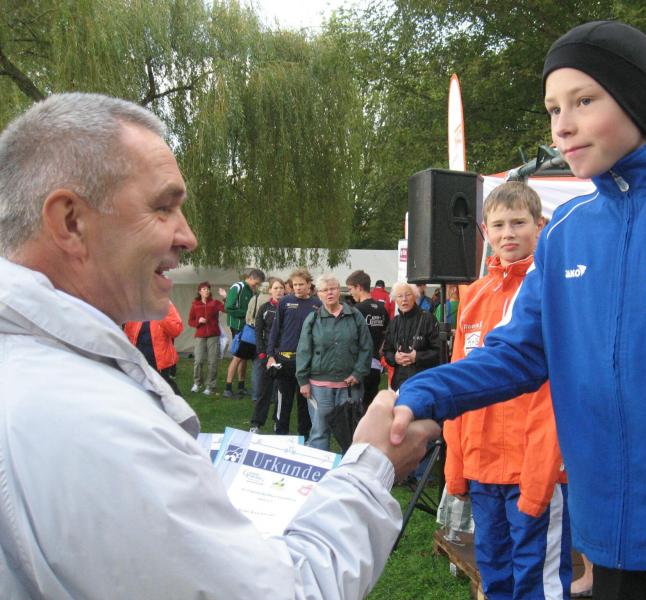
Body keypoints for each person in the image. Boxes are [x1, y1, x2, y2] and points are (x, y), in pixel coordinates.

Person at [390, 21, 646, 600]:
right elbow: (518, 354)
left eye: (584, 101)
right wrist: (421, 395)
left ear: (637, 98)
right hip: (611, 548)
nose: (562, 125)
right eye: (553, 108)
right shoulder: (566, 232)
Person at [0, 92, 439, 599]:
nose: (188, 236)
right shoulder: (94, 421)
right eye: (163, 208)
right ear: (71, 221)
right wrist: (371, 466)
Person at [444, 181, 570, 599]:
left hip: (534, 467)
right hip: (483, 467)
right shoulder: (474, 296)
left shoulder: (555, 289)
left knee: (536, 582)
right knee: (495, 574)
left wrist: (543, 472)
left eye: (518, 223)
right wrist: (456, 465)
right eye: (498, 225)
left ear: (540, 225)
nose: (508, 233)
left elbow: (557, 390)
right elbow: (459, 382)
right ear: (485, 231)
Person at [296, 274, 372, 451]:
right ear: (318, 294)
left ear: (339, 291)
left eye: (333, 289)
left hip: (349, 385)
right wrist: (302, 381)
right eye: (324, 290)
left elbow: (366, 347)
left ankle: (348, 467)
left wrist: (358, 372)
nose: (329, 293)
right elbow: (303, 351)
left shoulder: (355, 316)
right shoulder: (313, 319)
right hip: (319, 387)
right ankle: (319, 466)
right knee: (319, 432)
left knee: (350, 434)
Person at [267, 268, 321, 438]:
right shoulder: (285, 301)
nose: (297, 287)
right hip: (285, 360)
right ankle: (281, 433)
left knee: (304, 401)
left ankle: (303, 436)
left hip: (306, 361)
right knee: (284, 400)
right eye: (295, 284)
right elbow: (275, 329)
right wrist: (270, 354)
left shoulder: (317, 304)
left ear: (309, 285)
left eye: (301, 284)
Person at [382, 281, 441, 391]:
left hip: (423, 383)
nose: (404, 299)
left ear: (415, 296)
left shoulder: (428, 319)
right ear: (395, 300)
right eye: (400, 296)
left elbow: (439, 351)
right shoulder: (394, 322)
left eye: (408, 294)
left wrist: (417, 356)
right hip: (399, 384)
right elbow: (387, 351)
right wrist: (395, 358)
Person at [346, 269, 390, 409]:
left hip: (359, 365)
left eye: (350, 289)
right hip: (375, 365)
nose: (350, 293)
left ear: (359, 287)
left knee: (357, 408)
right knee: (370, 406)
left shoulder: (356, 310)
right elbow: (387, 334)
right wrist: (380, 350)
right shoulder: (381, 309)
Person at [124, 301, 183, 394]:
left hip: (159, 359)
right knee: (144, 388)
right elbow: (128, 332)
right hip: (139, 358)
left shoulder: (165, 305)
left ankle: (178, 402)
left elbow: (176, 330)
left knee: (164, 387)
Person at [249, 277, 285, 433]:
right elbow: (258, 332)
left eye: (281, 288)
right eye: (275, 288)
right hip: (267, 354)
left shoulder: (288, 307)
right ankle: (256, 423)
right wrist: (262, 352)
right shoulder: (264, 308)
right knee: (264, 390)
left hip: (284, 354)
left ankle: (278, 422)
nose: (278, 291)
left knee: (281, 391)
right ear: (270, 290)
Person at [222, 268, 265, 398]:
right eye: (256, 283)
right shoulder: (238, 287)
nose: (257, 286)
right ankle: (228, 388)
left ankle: (241, 386)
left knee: (243, 357)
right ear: (251, 278)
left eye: (259, 284)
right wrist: (246, 314)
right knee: (237, 357)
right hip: (237, 326)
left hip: (246, 327)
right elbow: (228, 307)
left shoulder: (252, 290)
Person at [188, 281, 225, 395]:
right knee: (198, 360)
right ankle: (197, 383)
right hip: (200, 336)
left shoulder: (215, 303)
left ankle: (210, 386)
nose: (206, 291)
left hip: (213, 335)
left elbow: (226, 309)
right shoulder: (195, 304)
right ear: (199, 291)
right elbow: (190, 321)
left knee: (212, 362)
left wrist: (225, 297)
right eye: (204, 289)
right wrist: (198, 322)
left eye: (208, 289)